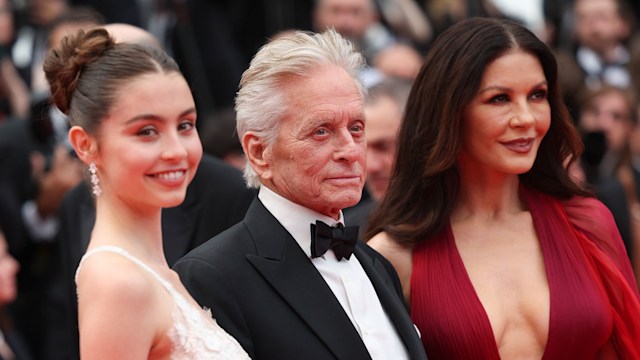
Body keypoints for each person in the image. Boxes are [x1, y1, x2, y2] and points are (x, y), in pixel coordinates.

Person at [366, 17, 640, 359]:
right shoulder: (393, 255)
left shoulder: (588, 224)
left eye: (537, 95)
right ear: (449, 111)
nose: (526, 117)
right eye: (499, 99)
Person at [174, 29, 427, 360]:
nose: (350, 151)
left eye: (356, 128)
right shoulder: (210, 278)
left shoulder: (378, 265)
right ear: (260, 152)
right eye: (321, 131)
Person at [43, 28, 249, 358]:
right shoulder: (120, 285)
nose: (176, 151)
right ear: (85, 145)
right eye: (147, 131)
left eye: (185, 125)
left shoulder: (151, 271)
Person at [345, 77, 410, 237]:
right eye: (362, 149)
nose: (371, 166)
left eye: (384, 147)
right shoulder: (348, 231)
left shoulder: (467, 222)